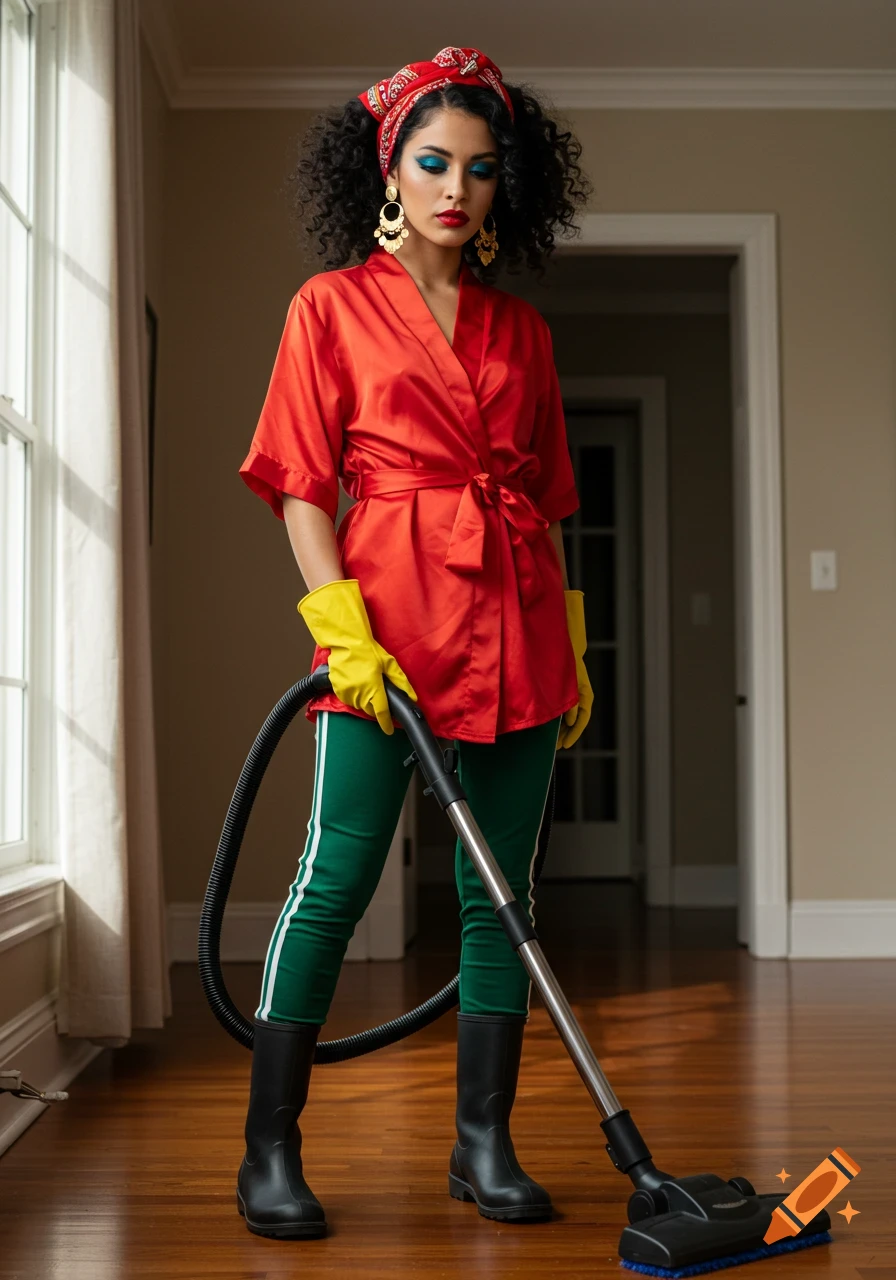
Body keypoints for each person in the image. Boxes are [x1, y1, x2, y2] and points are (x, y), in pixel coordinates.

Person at [235, 45, 595, 1240]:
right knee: (335, 876)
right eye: (432, 161)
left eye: (480, 169)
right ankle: (269, 1148)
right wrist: (340, 628)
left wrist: (574, 646)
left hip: (519, 625)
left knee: (502, 894)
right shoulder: (327, 308)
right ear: (388, 169)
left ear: (505, 188)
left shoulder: (521, 332)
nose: (455, 187)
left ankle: (481, 1140)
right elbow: (299, 484)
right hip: (384, 625)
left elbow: (543, 501)